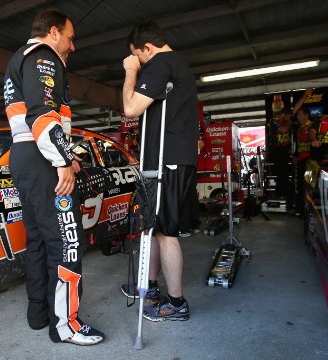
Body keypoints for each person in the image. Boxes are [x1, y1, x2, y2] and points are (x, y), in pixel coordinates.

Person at [3, 8, 104, 346]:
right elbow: (42, 114)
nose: (73, 47)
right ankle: (67, 325)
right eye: (71, 38)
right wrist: (61, 160)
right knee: (66, 242)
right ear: (54, 31)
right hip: (42, 159)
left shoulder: (20, 57)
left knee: (39, 239)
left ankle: (39, 314)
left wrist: (67, 156)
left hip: (25, 156)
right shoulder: (43, 56)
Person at [121, 21, 199, 322]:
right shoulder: (176, 63)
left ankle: (177, 303)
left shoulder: (160, 62)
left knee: (166, 232)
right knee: (152, 229)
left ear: (147, 48)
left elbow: (130, 108)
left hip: (168, 161)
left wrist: (131, 71)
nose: (136, 60)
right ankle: (150, 287)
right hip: (168, 160)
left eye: (136, 55)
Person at [293, 107, 312, 217]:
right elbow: (298, 144)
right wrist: (295, 156)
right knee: (300, 185)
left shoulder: (312, 126)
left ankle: (308, 210)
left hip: (309, 161)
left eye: (299, 114)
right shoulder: (300, 128)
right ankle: (300, 209)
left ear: (306, 115)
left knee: (308, 185)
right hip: (300, 160)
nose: (298, 117)